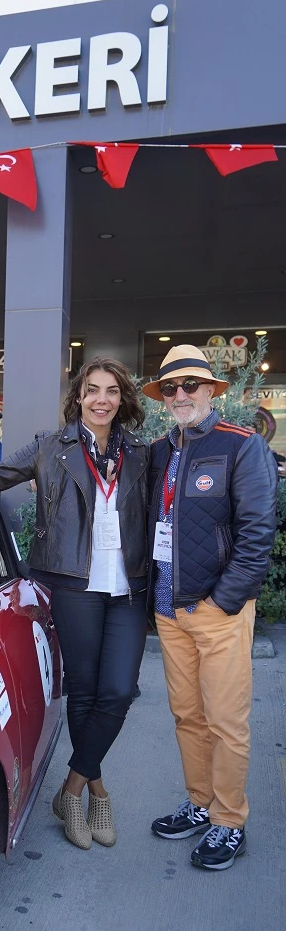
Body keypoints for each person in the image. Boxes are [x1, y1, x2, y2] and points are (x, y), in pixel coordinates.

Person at [0, 357, 150, 851]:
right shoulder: (50, 446)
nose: (101, 400)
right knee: (84, 690)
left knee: (118, 691)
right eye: (92, 390)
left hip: (127, 587)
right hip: (75, 585)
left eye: (111, 391)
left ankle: (71, 787)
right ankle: (94, 793)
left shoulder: (140, 452)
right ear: (78, 397)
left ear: (122, 399)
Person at [146, 346, 278, 870]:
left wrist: (225, 601)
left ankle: (229, 821)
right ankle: (200, 804)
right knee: (188, 716)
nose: (181, 396)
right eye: (171, 389)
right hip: (168, 609)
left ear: (211, 390)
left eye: (190, 386)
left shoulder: (243, 447)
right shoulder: (160, 450)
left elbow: (258, 533)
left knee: (226, 721)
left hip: (217, 610)